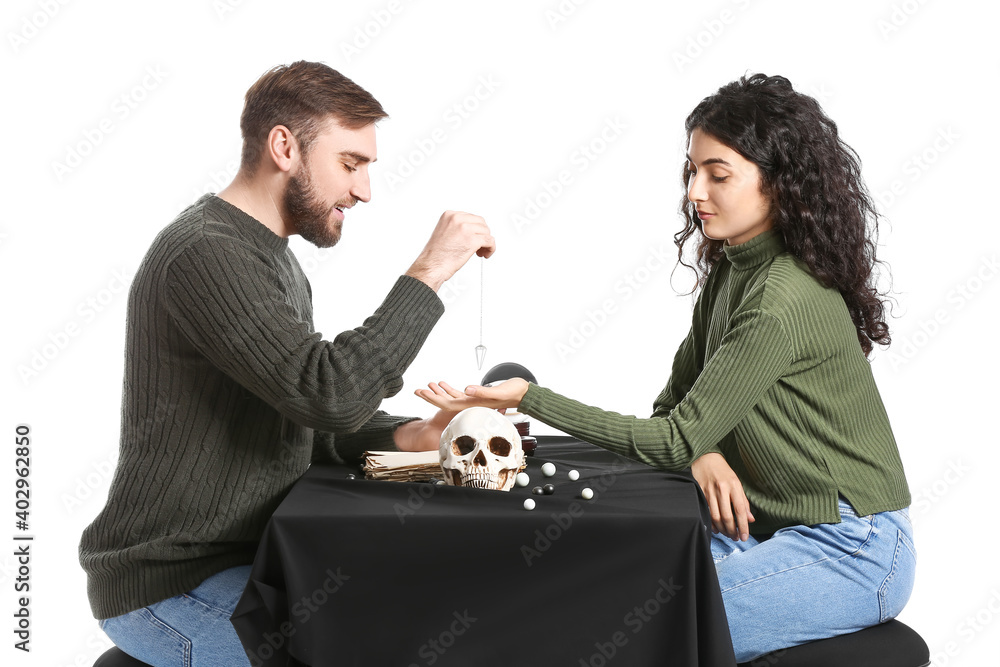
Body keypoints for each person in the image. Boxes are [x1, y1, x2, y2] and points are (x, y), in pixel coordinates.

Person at [416, 73, 915, 663]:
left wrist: (529, 398)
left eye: (718, 175)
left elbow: (674, 433)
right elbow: (674, 411)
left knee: (637, 625)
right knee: (593, 576)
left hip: (852, 549)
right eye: (692, 172)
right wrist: (704, 452)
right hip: (761, 528)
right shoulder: (734, 271)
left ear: (780, 185)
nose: (695, 192)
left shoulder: (781, 300)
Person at [79, 61, 492, 666]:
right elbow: (326, 392)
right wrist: (428, 273)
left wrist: (410, 433)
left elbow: (303, 414)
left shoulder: (270, 257)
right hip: (168, 587)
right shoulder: (206, 254)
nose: (364, 190)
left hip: (247, 563)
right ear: (284, 147)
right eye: (350, 164)